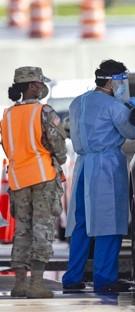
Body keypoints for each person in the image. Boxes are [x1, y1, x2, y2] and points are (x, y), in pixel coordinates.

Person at [62, 60, 135, 292]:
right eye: (121, 81)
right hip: (106, 166)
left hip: (83, 166)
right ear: (110, 81)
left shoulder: (78, 103)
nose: (123, 85)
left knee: (81, 224)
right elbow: (132, 132)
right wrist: (133, 108)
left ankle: (73, 278)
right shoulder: (114, 106)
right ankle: (105, 279)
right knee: (109, 223)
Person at [0, 66, 67, 298]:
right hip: (42, 177)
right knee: (42, 228)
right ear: (32, 85)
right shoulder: (43, 111)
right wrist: (61, 159)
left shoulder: (7, 114)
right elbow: (58, 143)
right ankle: (36, 284)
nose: (41, 87)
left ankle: (19, 284)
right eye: (39, 83)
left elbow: (7, 147)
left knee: (22, 230)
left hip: (18, 179)